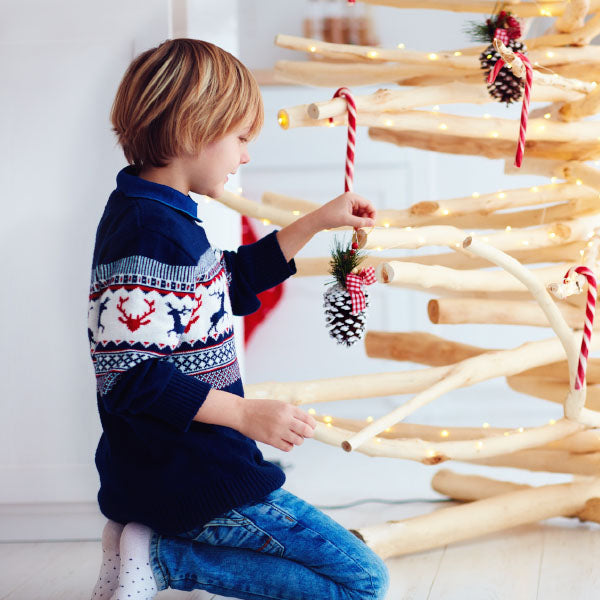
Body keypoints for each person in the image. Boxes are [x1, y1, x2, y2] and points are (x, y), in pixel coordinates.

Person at [86, 38, 387, 600]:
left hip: (179, 467)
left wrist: (317, 221)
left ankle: (141, 546)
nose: (244, 156)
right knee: (363, 581)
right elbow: (132, 378)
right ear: (193, 129)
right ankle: (162, 558)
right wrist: (245, 414)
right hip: (195, 474)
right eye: (241, 138)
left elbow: (228, 283)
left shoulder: (157, 216)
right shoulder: (149, 231)